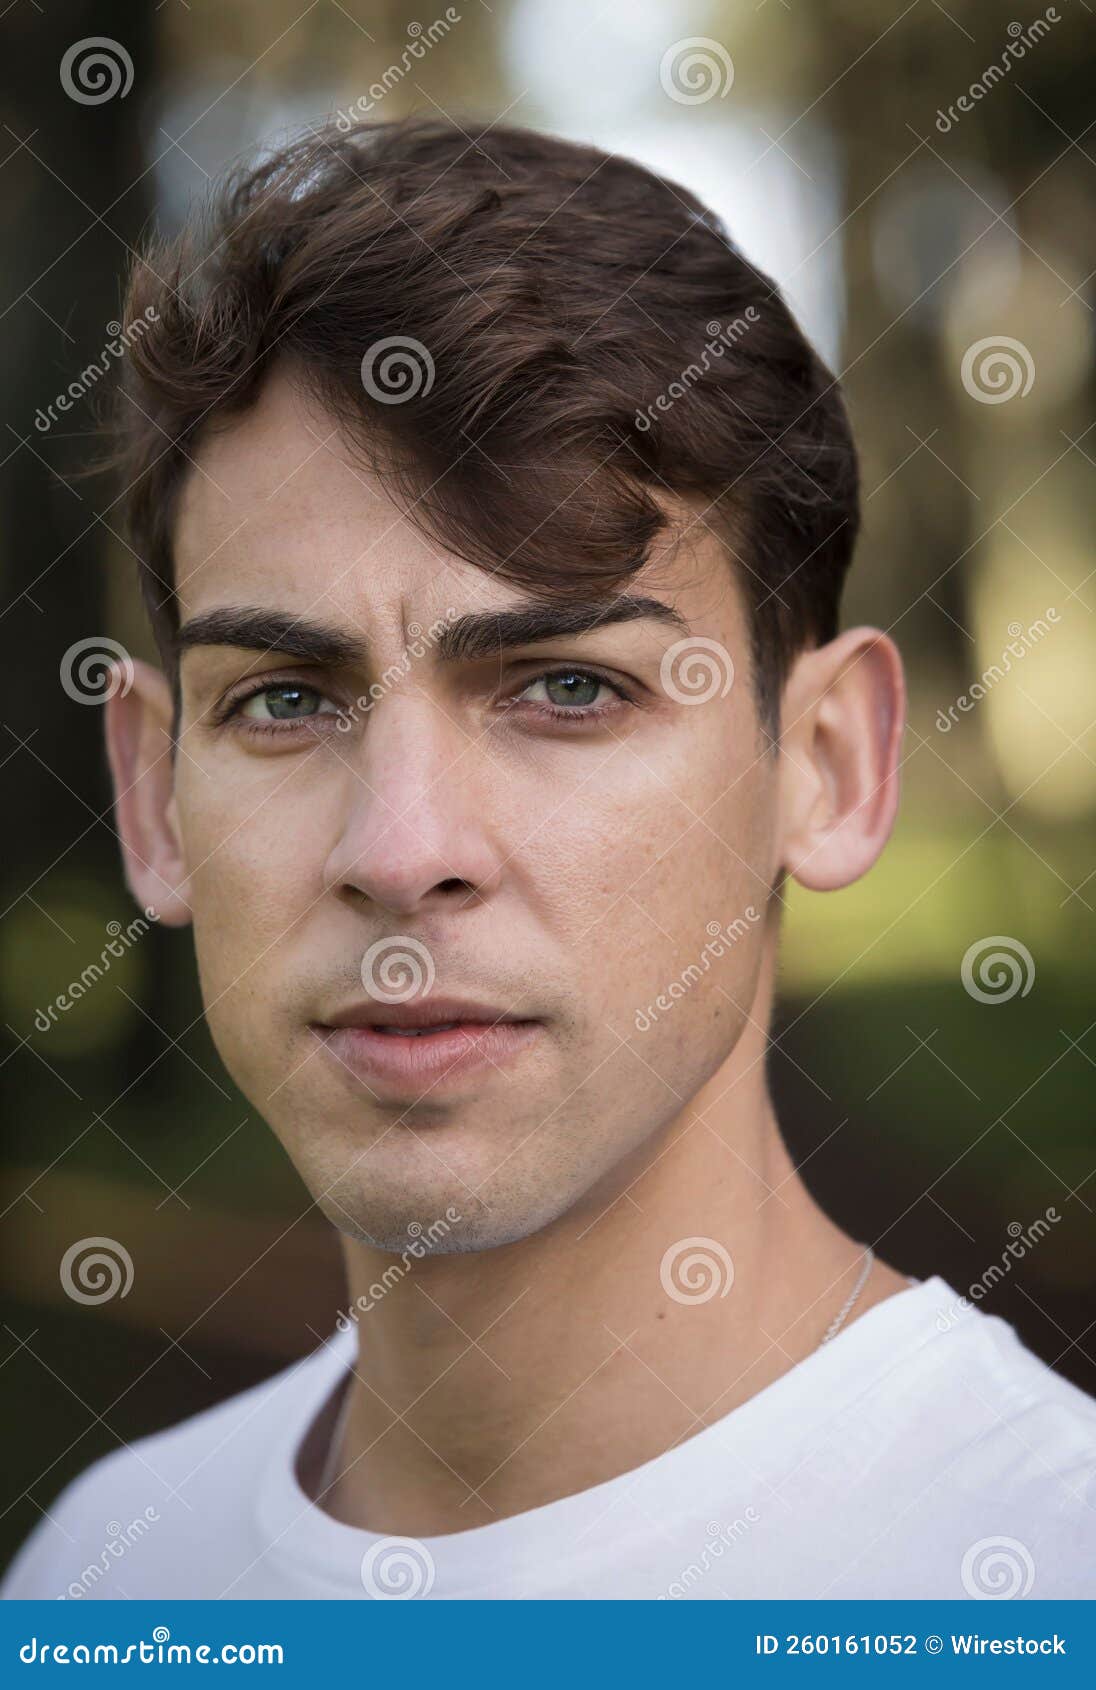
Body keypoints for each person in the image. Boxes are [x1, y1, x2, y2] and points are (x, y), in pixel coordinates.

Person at [5, 118, 1094, 1602]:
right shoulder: (100, 1583)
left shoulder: (1045, 1575)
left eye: (570, 686)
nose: (402, 853)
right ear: (150, 795)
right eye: (285, 698)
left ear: (831, 767)